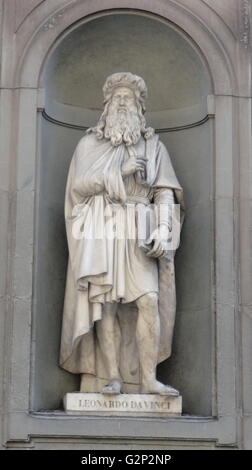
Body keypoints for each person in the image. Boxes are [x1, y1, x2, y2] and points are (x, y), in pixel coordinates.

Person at [60, 72, 184, 395]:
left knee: (149, 300)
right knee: (106, 304)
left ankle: (148, 378)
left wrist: (164, 226)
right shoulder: (89, 144)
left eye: (128, 99)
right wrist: (118, 173)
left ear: (140, 108)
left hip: (140, 227)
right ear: (107, 107)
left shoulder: (154, 146)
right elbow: (78, 186)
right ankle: (111, 375)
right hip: (104, 226)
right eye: (117, 99)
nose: (122, 103)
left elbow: (165, 192)